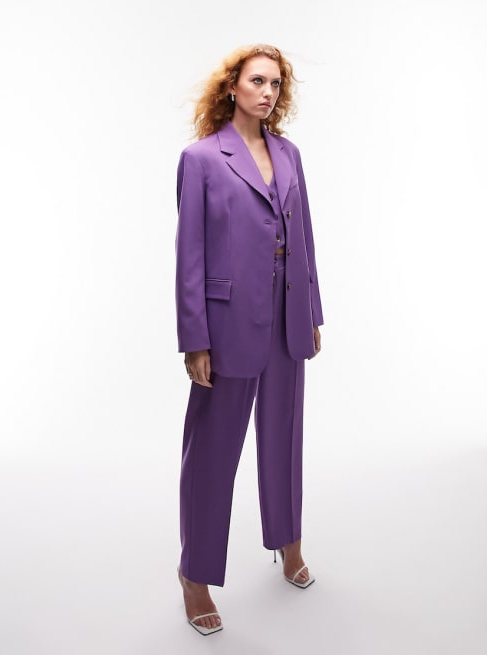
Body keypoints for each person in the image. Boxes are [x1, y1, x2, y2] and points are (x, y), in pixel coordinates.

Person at [174, 43, 324, 636]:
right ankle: (195, 575)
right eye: (257, 81)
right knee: (213, 454)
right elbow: (189, 254)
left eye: (276, 83)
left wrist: (311, 310)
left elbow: (305, 236)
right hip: (228, 323)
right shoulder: (201, 159)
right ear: (232, 86)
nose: (268, 92)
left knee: (284, 440)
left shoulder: (289, 154)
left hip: (287, 318)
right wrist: (195, 339)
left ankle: (288, 541)